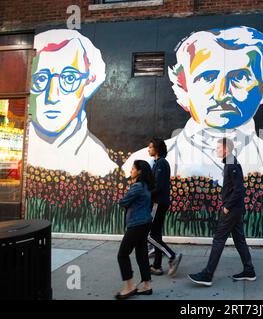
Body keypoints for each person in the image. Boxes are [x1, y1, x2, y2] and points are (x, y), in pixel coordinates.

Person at [123, 26, 263, 185]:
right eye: (207, 77)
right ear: (182, 88)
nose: (221, 94)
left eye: (239, 77)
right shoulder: (137, 161)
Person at [29, 29, 117, 176]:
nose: (52, 96)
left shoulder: (102, 166)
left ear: (89, 83)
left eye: (69, 78)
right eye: (41, 79)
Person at [188, 138, 255, 286]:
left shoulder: (231, 164)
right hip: (235, 209)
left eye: (218, 147)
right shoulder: (230, 162)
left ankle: (207, 275)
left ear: (226, 149)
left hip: (231, 209)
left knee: (218, 239)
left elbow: (239, 189)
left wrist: (227, 206)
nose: (216, 150)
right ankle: (249, 270)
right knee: (239, 240)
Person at [116, 160, 154, 299]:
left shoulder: (137, 186)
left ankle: (129, 286)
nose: (131, 171)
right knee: (141, 254)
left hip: (136, 224)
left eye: (132, 169)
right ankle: (146, 285)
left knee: (122, 255)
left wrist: (124, 200)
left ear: (139, 171)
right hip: (145, 223)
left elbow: (123, 202)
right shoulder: (146, 186)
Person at [147, 138, 183, 276]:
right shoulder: (158, 163)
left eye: (150, 147)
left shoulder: (161, 163)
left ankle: (172, 256)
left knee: (149, 235)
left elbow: (158, 186)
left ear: (156, 148)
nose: (148, 150)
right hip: (159, 203)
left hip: (158, 203)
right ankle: (157, 266)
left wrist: (145, 194)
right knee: (156, 235)